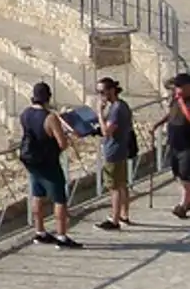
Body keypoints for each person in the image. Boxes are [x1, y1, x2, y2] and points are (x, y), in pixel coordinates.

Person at [21, 81, 82, 248]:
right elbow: (62, 143)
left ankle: (39, 231)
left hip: (32, 161)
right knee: (59, 199)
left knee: (37, 194)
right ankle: (61, 236)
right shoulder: (50, 118)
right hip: (48, 162)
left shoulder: (25, 113)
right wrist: (67, 136)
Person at [149, 71, 190, 219]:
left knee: (186, 176)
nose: (177, 90)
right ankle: (187, 201)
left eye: (180, 87)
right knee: (178, 174)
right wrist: (158, 124)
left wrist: (181, 102)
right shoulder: (176, 98)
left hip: (187, 144)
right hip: (174, 142)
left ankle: (184, 205)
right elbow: (171, 113)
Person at [96, 77, 136, 230]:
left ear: (111, 91)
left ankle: (114, 220)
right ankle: (123, 215)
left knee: (114, 186)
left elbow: (107, 131)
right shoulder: (121, 105)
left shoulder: (117, 108)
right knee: (122, 183)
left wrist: (99, 112)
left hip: (114, 150)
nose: (100, 95)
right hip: (121, 148)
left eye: (102, 92)